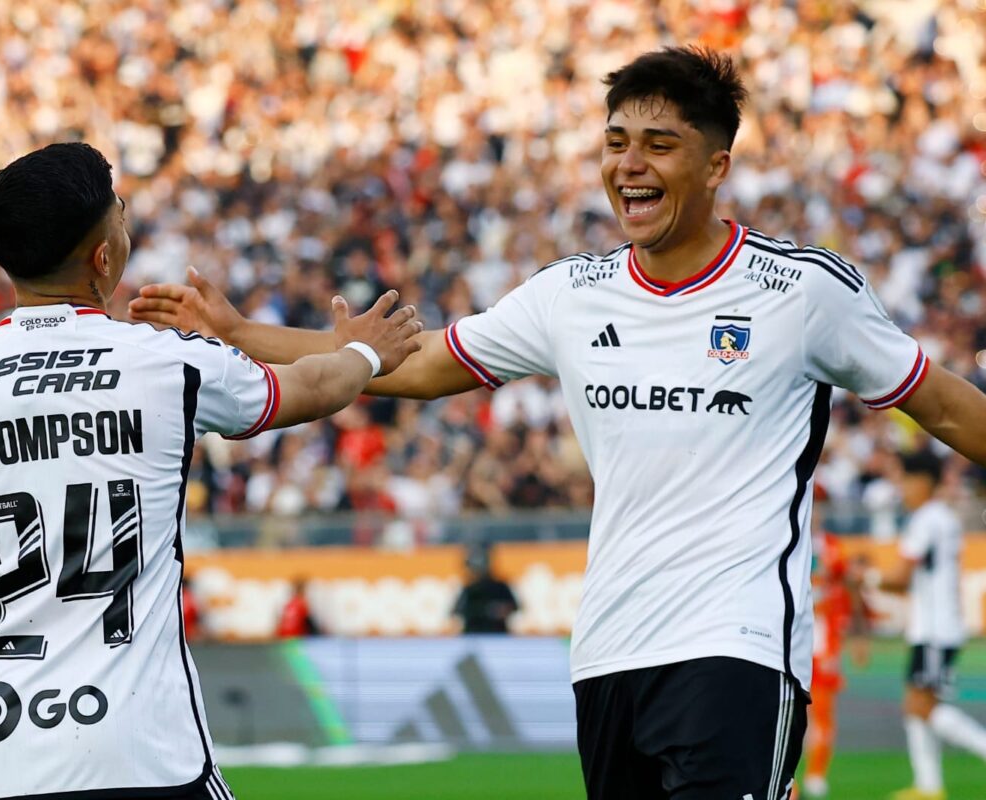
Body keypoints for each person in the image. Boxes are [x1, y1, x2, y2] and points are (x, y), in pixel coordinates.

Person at [131, 46, 986, 799]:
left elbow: (943, 404)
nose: (630, 166)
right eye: (616, 143)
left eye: (660, 144)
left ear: (718, 164)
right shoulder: (571, 294)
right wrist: (242, 333)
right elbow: (413, 360)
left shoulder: (802, 293)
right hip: (609, 652)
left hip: (739, 645)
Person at [0, 142, 423, 800]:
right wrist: (366, 351)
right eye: (120, 216)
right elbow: (313, 388)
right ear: (105, 257)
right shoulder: (166, 365)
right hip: (152, 760)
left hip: (1, 767)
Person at [880, 447, 986, 800]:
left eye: (907, 480)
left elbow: (898, 578)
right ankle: (928, 786)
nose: (903, 489)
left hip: (935, 630)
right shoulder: (942, 517)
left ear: (924, 481)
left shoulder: (927, 519)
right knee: (915, 704)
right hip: (936, 627)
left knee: (923, 707)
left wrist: (864, 577)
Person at [798, 485, 869, 800]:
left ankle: (815, 775)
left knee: (823, 710)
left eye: (822, 504)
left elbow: (852, 587)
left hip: (824, 639)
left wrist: (858, 635)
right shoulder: (786, 537)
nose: (817, 510)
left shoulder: (831, 547)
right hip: (790, 637)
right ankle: (787, 777)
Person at [452, 547, 518, 634]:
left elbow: (515, 607)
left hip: (497, 635)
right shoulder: (469, 589)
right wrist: (482, 611)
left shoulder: (500, 587)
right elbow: (457, 611)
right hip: (474, 635)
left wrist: (502, 609)